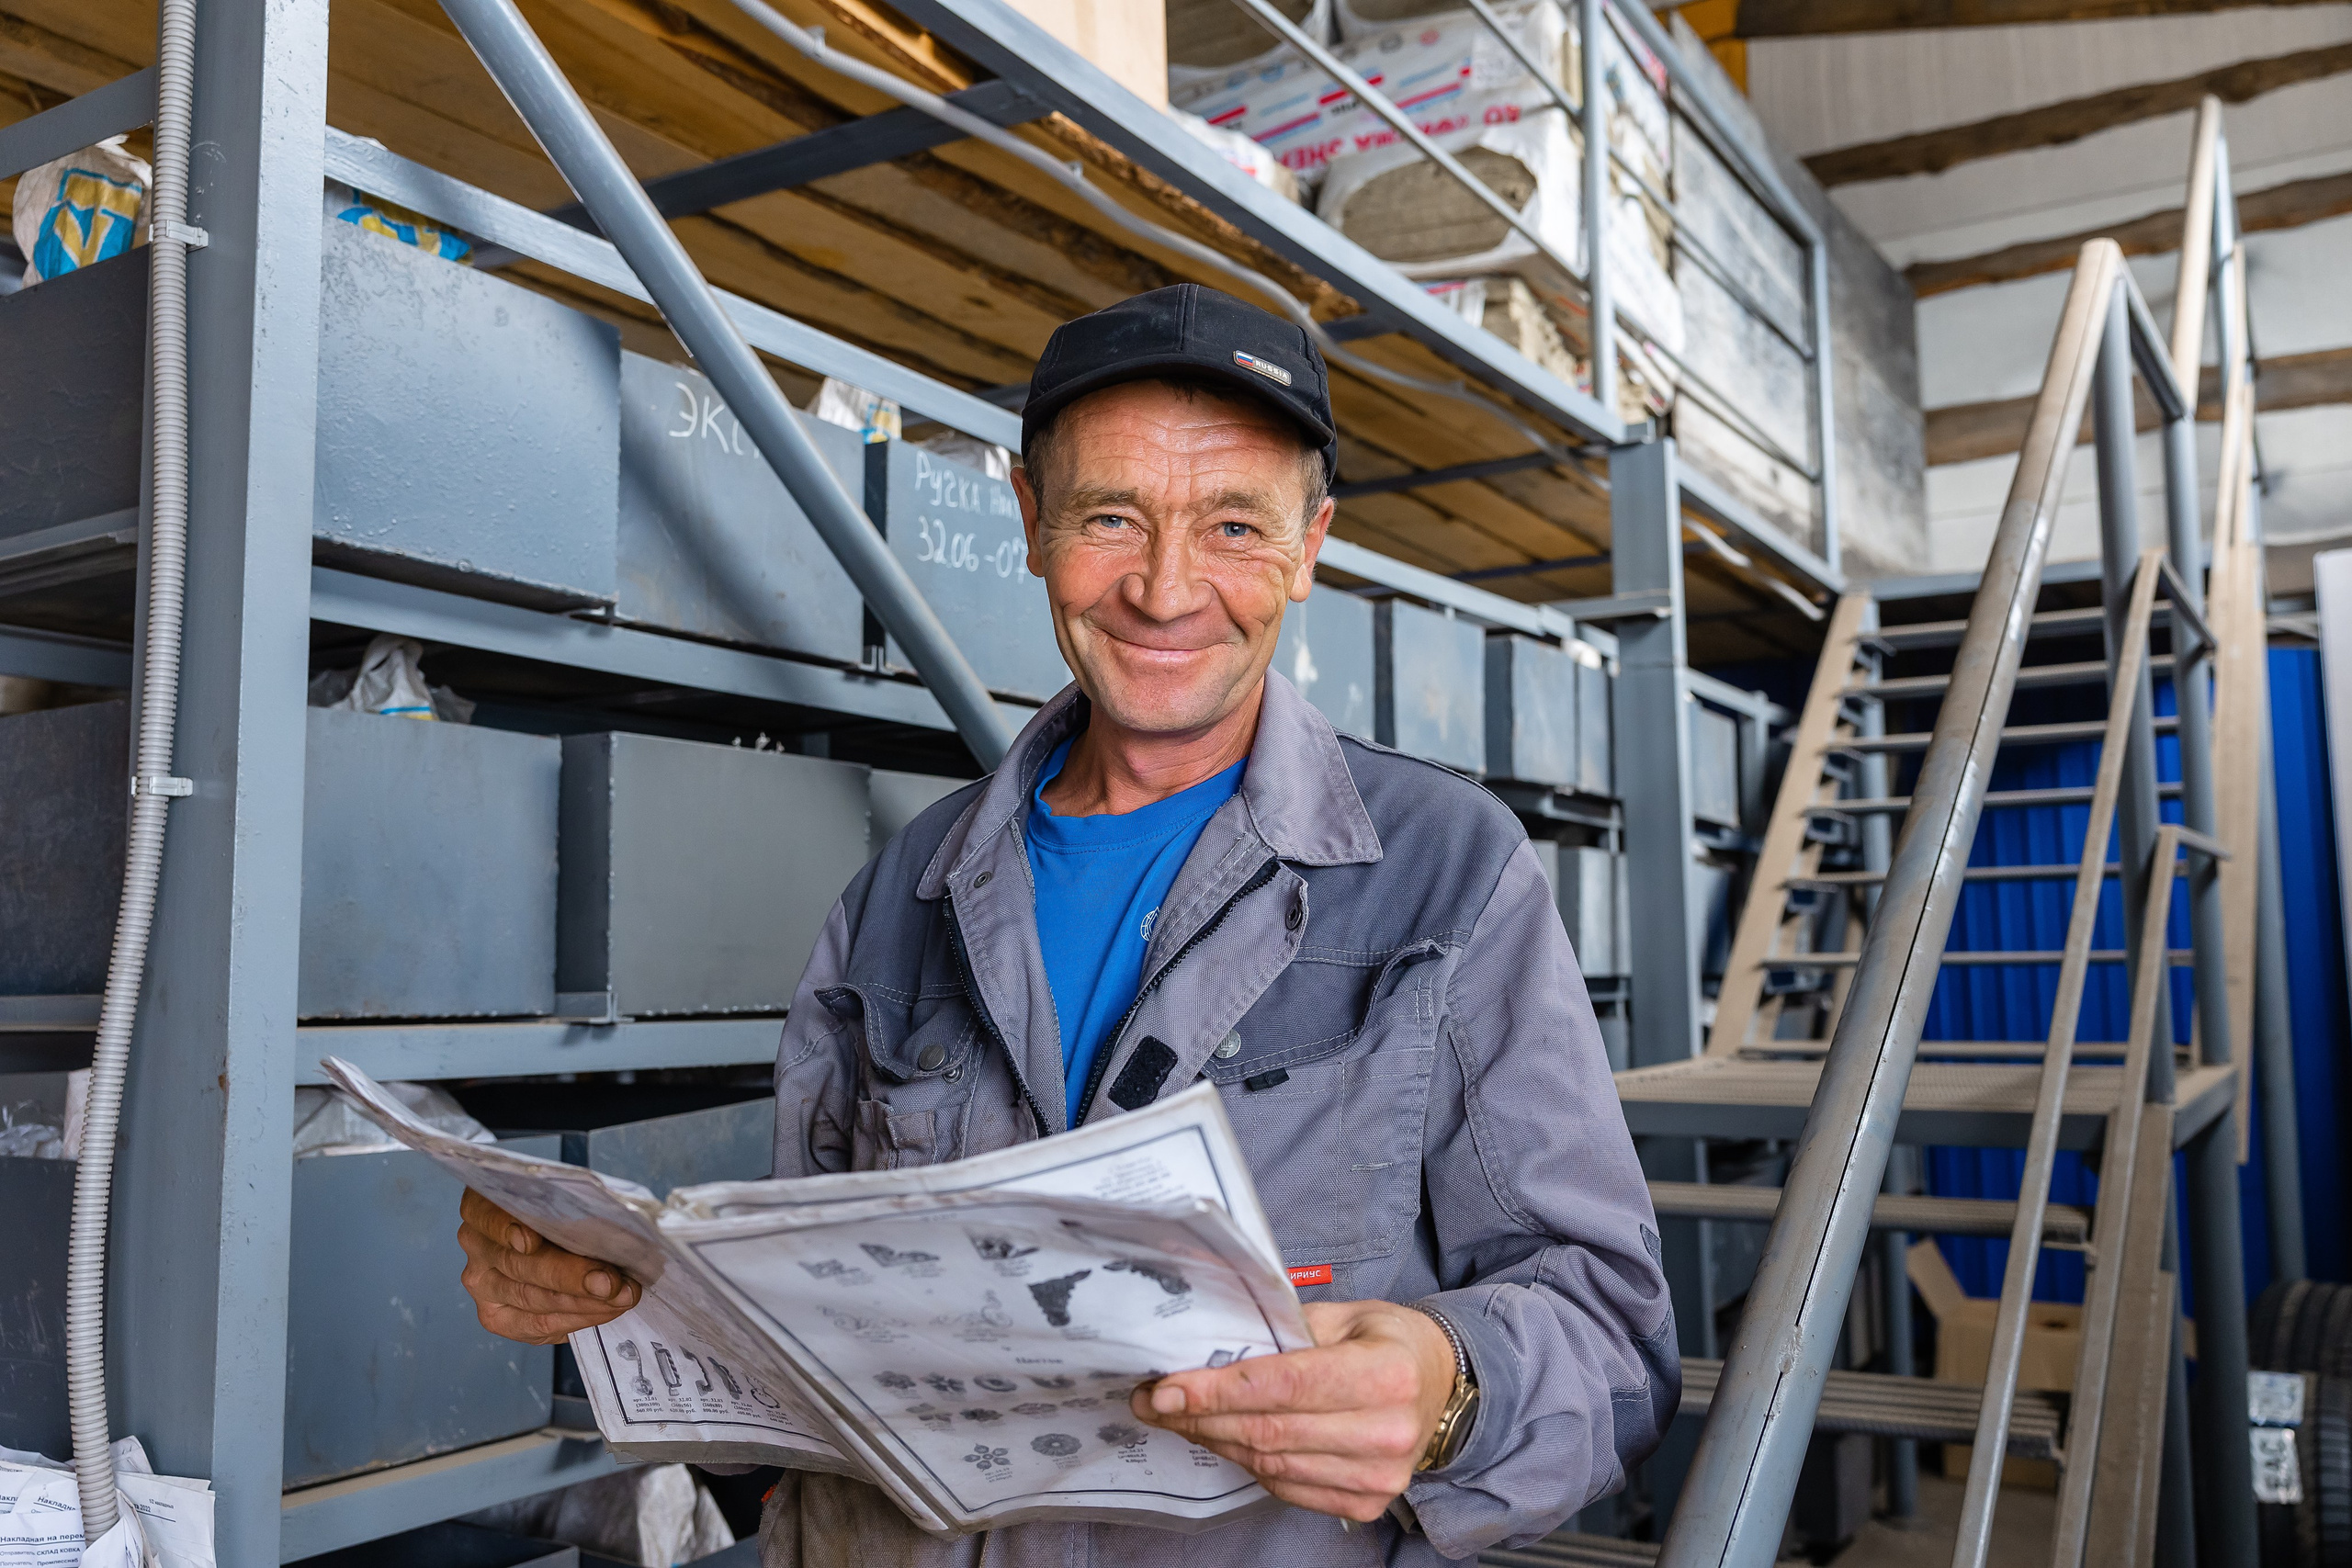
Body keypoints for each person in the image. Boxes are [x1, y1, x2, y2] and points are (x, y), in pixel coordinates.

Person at [455, 284, 1677, 1564]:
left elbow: (1621, 1349)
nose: (1165, 588)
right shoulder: (899, 902)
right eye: (1111, 517)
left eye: (1233, 526)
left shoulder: (1447, 878)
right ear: (1032, 524)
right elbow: (795, 1377)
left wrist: (1449, 1385)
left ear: (1312, 546)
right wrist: (613, 1302)